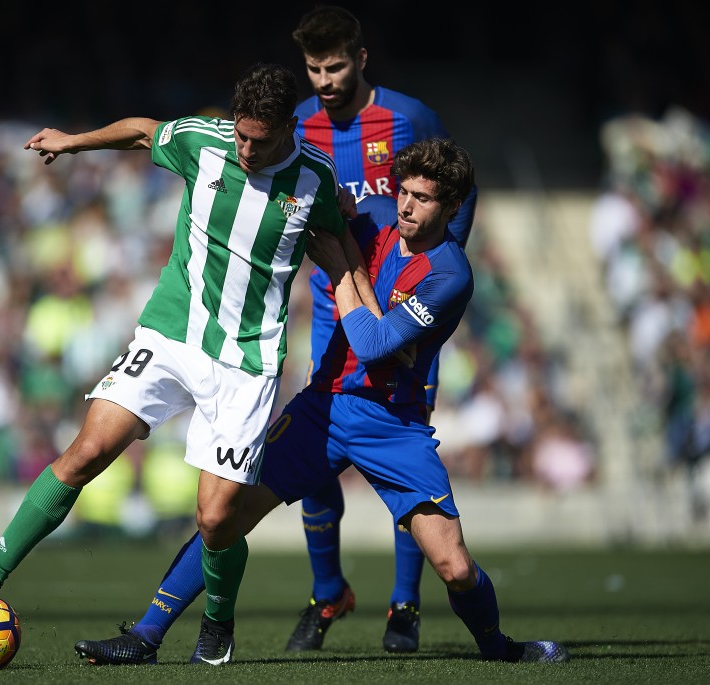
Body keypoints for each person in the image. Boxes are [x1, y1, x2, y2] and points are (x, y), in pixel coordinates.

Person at [0, 63, 349, 663]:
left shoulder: (315, 179)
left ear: (288, 130)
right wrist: (72, 142)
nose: (247, 150)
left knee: (217, 519)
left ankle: (217, 626)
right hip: (171, 333)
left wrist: (372, 315)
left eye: (261, 140)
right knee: (85, 452)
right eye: (242, 135)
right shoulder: (204, 142)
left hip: (246, 361)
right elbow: (144, 131)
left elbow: (343, 243)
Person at [74, 137, 569, 666]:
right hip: (323, 408)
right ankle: (146, 636)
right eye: (403, 191)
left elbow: (373, 346)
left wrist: (342, 271)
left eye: (422, 198)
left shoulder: (451, 274)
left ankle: (500, 650)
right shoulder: (375, 216)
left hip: (392, 423)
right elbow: (304, 214)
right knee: (224, 517)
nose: (405, 206)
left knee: (455, 567)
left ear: (451, 206)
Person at [288, 4, 479, 654]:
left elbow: (460, 184)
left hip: (401, 317)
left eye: (336, 66)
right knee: (315, 457)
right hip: (333, 310)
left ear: (361, 59)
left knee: (401, 453)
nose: (325, 80)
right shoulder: (300, 124)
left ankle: (405, 604)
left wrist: (437, 264)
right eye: (314, 69)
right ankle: (327, 590)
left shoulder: (409, 117)